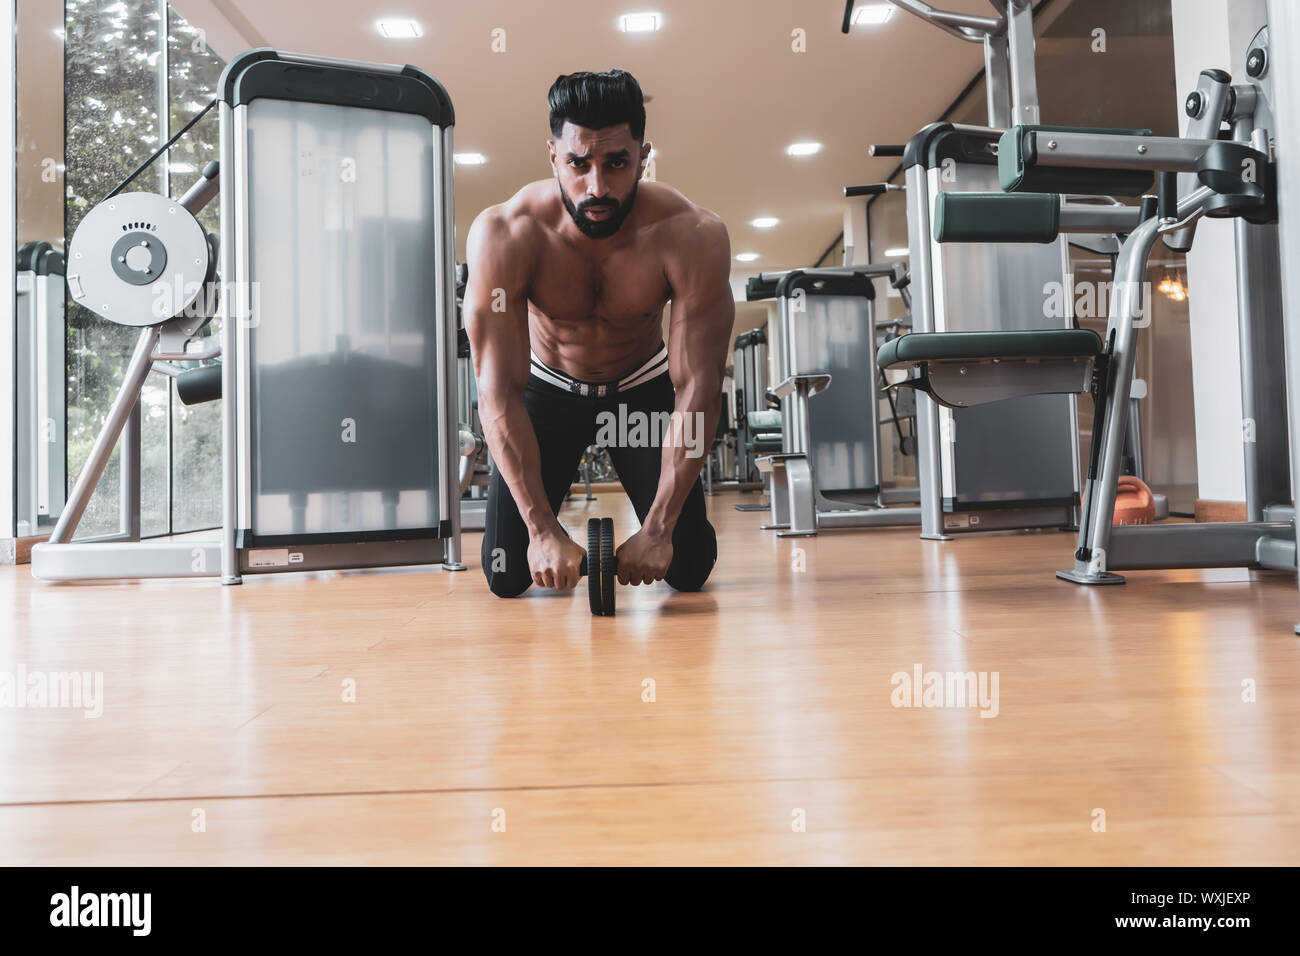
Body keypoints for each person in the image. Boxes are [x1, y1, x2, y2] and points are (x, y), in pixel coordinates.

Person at [464, 68, 734, 598]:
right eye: (578, 164)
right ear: (552, 156)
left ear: (643, 155)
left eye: (617, 163)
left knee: (689, 566)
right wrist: (542, 531)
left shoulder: (692, 235)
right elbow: (496, 393)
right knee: (507, 571)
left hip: (641, 390)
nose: (597, 187)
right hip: (550, 392)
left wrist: (656, 530)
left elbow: (698, 391)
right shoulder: (506, 234)